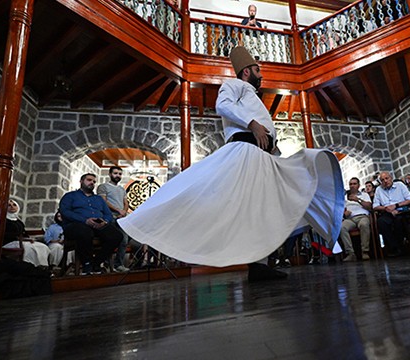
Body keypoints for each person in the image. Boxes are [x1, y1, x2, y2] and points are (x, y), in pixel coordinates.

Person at [118, 46, 344, 282]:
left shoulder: (252, 95)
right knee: (218, 197)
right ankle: (150, 223)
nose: (261, 74)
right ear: (246, 72)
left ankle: (260, 265)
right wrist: (252, 124)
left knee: (264, 208)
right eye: (258, 69)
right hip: (246, 152)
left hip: (263, 156)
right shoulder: (234, 85)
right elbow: (223, 106)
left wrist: (272, 148)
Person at [59, 173, 123, 275]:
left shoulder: (98, 199)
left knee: (117, 236)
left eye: (94, 181)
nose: (92, 183)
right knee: (85, 232)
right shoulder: (70, 196)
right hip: (76, 225)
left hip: (98, 225)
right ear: (81, 181)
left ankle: (96, 263)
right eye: (89, 180)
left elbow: (108, 214)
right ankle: (87, 264)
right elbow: (65, 212)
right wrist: (85, 220)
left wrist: (105, 221)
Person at [97, 166, 130, 272]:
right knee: (111, 240)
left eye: (120, 174)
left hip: (121, 218)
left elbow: (126, 202)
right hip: (109, 217)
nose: (118, 176)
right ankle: (106, 263)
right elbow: (104, 201)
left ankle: (118, 264)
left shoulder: (122, 189)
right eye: (115, 173)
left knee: (124, 240)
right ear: (110, 174)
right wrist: (118, 210)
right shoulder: (103, 186)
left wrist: (124, 211)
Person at [372, 171, 410, 256]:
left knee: (399, 220)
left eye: (387, 178)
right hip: (387, 211)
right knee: (381, 222)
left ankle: (402, 246)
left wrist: (396, 205)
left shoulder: (400, 185)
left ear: (391, 178)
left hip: (401, 210)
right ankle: (394, 247)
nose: (385, 181)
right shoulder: (379, 190)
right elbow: (375, 206)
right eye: (382, 180)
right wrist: (386, 208)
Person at [3, 199, 50, 267]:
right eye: (9, 205)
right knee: (29, 248)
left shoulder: (19, 221)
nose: (12, 207)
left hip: (21, 241)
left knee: (42, 247)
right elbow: (6, 234)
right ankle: (29, 266)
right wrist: (23, 239)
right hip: (9, 242)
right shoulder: (4, 220)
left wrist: (28, 238)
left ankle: (41, 267)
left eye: (14, 205)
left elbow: (23, 233)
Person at [340, 177, 372, 262]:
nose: (352, 186)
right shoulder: (345, 197)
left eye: (354, 184)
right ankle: (350, 253)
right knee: (342, 227)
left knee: (364, 224)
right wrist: (344, 214)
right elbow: (340, 210)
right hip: (350, 219)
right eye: (350, 184)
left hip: (362, 216)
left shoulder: (364, 195)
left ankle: (365, 252)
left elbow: (369, 207)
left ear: (358, 185)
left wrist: (358, 200)